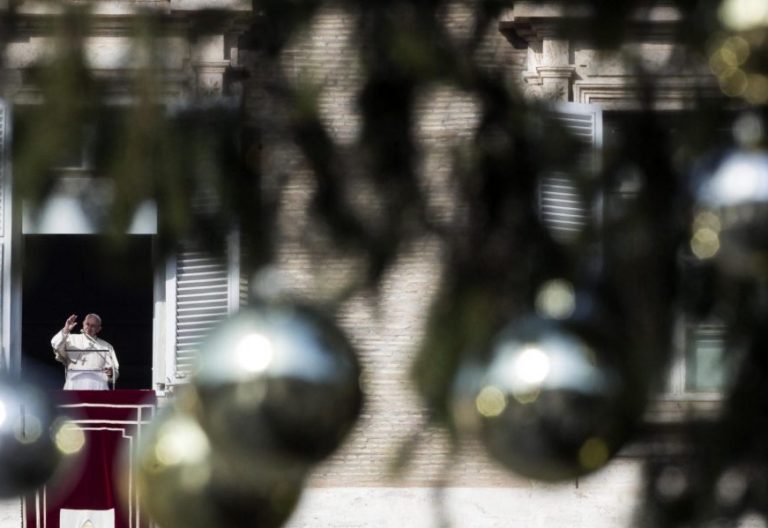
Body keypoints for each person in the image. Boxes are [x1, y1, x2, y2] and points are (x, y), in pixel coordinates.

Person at [51, 313, 119, 390]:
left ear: (99, 329)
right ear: (83, 324)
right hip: (74, 385)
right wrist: (66, 329)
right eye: (87, 324)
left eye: (93, 326)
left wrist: (111, 373)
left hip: (97, 386)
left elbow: (115, 370)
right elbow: (55, 344)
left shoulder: (106, 347)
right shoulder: (70, 339)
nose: (89, 328)